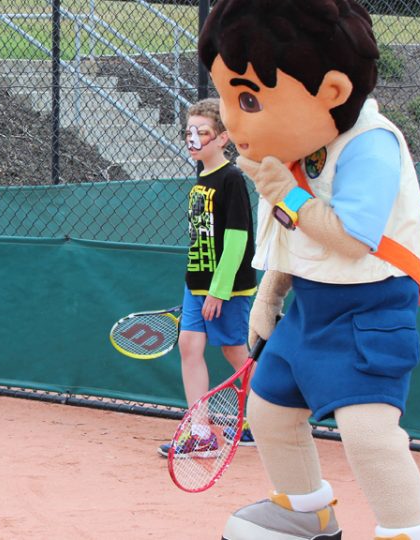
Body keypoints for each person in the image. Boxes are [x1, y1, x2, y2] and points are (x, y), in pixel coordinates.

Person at [200, 0, 420, 538]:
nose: (232, 122)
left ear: (331, 91)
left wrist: (288, 194)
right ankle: (304, 511)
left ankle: (407, 528)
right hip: (309, 305)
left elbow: (351, 239)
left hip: (369, 311)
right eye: (230, 99)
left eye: (249, 100)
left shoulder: (370, 144)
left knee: (369, 432)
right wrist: (269, 297)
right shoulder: (299, 148)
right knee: (271, 411)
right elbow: (292, 236)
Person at [157, 99, 257, 459]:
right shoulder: (200, 180)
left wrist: (218, 290)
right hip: (196, 285)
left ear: (223, 138)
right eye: (189, 132)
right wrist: (197, 285)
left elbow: (237, 239)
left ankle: (264, 417)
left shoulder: (232, 179)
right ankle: (200, 432)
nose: (193, 139)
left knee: (235, 351)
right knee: (189, 346)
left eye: (202, 132)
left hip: (228, 288)